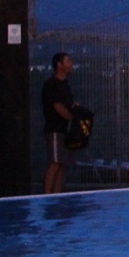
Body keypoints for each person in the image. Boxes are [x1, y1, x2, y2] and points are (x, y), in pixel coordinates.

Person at [41, 51, 77, 195]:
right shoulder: (51, 84)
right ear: (59, 65)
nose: (71, 64)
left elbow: (67, 104)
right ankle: (47, 195)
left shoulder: (65, 84)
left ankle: (56, 194)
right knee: (55, 163)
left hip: (65, 129)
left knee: (63, 164)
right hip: (55, 129)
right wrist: (72, 119)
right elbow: (58, 106)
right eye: (68, 61)